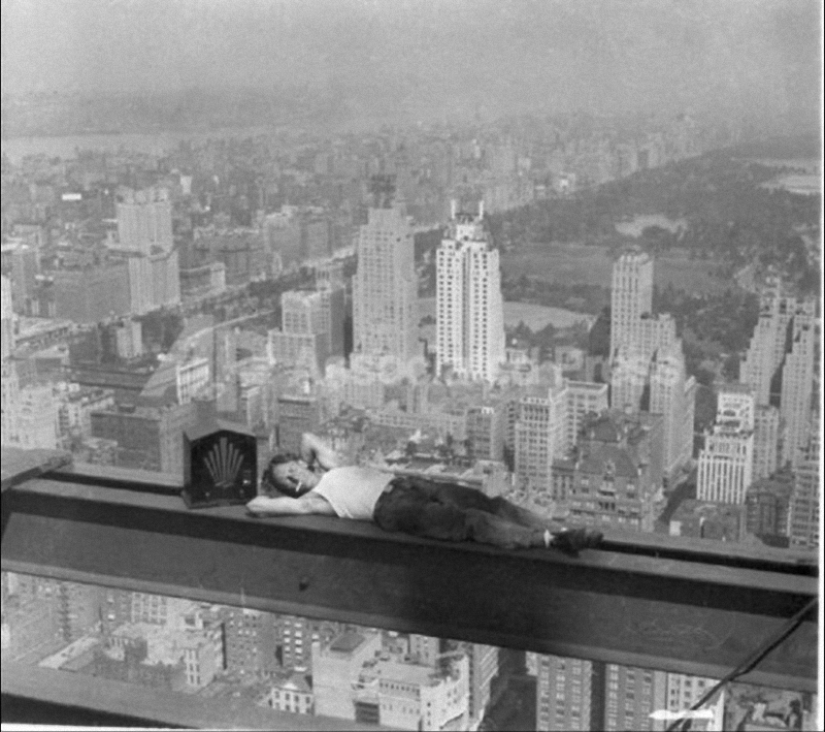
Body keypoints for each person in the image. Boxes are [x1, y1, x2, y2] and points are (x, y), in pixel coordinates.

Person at [247, 433, 603, 555]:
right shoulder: (313, 500)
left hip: (410, 484)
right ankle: (549, 541)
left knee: (488, 502)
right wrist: (281, 486)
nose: (295, 475)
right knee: (471, 522)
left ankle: (560, 529)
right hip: (391, 508)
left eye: (292, 467)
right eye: (287, 478)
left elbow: (309, 438)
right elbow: (257, 506)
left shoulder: (332, 465)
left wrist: (300, 464)